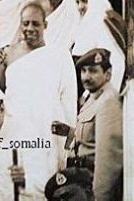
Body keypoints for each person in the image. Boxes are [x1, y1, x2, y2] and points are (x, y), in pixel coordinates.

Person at [0, 2, 77, 200]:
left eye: (35, 24)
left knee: (48, 186)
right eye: (25, 23)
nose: (30, 29)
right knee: (18, 187)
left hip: (48, 133)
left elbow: (68, 98)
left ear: (45, 25)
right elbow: (3, 91)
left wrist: (67, 140)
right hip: (18, 131)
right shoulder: (10, 54)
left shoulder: (59, 55)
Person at [52, 48, 123, 201]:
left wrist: (99, 197)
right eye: (83, 71)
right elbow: (90, 139)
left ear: (107, 73)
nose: (86, 77)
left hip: (91, 184)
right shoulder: (93, 98)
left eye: (93, 71)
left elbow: (108, 160)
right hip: (82, 176)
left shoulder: (108, 101)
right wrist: (70, 132)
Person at [69, 0, 126, 93]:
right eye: (77, 2)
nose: (80, 7)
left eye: (85, 1)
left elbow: (117, 64)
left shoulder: (103, 24)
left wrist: (102, 96)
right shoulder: (82, 26)